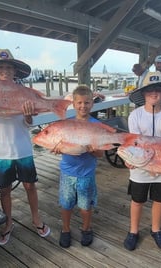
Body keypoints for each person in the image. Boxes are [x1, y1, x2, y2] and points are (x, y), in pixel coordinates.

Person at [0, 49, 51, 245]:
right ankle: (8, 222)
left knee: (30, 186)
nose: (5, 70)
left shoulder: (23, 92)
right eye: (1, 67)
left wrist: (28, 114)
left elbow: (28, 123)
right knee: (5, 190)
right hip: (2, 152)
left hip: (23, 149)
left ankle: (36, 218)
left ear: (15, 71)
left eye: (8, 67)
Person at [125, 71, 161, 251]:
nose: (154, 93)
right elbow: (134, 144)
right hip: (140, 169)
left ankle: (156, 230)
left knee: (159, 200)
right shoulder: (135, 116)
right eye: (150, 90)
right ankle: (133, 231)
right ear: (143, 94)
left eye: (158, 89)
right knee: (137, 200)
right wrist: (129, 159)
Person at [52, 85, 103, 248]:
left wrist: (93, 150)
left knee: (85, 206)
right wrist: (57, 148)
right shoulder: (65, 125)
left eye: (87, 102)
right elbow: (61, 146)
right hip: (67, 172)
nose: (83, 106)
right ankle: (65, 229)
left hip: (86, 174)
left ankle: (86, 228)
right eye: (79, 102)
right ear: (73, 104)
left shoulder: (97, 125)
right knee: (66, 204)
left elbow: (100, 154)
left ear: (92, 104)